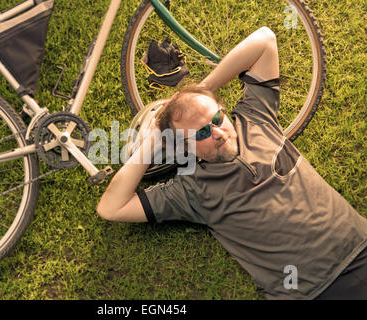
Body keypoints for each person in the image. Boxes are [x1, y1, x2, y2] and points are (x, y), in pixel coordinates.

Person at [96, 27, 367, 299]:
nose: (217, 133)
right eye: (201, 132)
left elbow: (265, 40)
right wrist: (153, 141)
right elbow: (111, 207)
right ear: (185, 147)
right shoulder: (192, 190)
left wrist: (203, 89)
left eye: (216, 119)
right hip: (316, 292)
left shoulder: (255, 117)